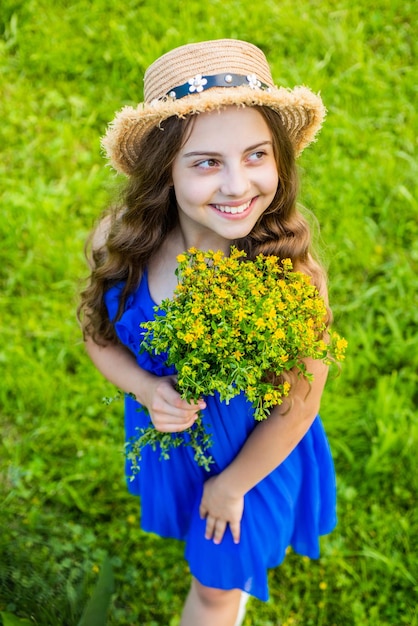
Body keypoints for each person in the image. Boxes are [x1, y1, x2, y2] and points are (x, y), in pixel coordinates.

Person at [79, 39, 337, 626]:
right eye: (205, 162)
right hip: (173, 443)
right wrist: (145, 390)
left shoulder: (291, 277)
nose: (238, 185)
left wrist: (232, 486)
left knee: (216, 588)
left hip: (253, 453)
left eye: (256, 155)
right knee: (202, 554)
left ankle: (228, 596)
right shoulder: (120, 242)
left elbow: (299, 406)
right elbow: (100, 337)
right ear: (163, 171)